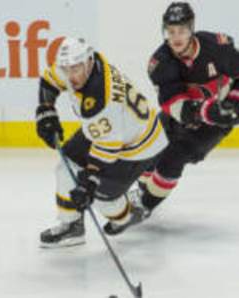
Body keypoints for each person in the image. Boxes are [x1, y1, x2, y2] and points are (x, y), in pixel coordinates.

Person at [36, 37, 168, 247]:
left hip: (139, 145)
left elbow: (108, 148)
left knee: (102, 199)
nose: (70, 76)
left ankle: (127, 215)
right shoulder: (86, 64)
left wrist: (89, 182)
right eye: (66, 69)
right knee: (66, 167)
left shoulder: (100, 101)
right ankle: (72, 226)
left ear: (88, 61)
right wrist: (46, 109)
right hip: (111, 130)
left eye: (76, 68)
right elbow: (50, 80)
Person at [131, 2, 239, 218]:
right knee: (150, 147)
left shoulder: (217, 47)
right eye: (171, 31)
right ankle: (142, 189)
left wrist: (238, 100)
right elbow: (174, 103)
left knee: (174, 157)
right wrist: (205, 110)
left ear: (192, 29)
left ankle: (145, 205)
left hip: (215, 124)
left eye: (182, 30)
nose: (176, 37)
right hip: (183, 114)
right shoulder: (160, 62)